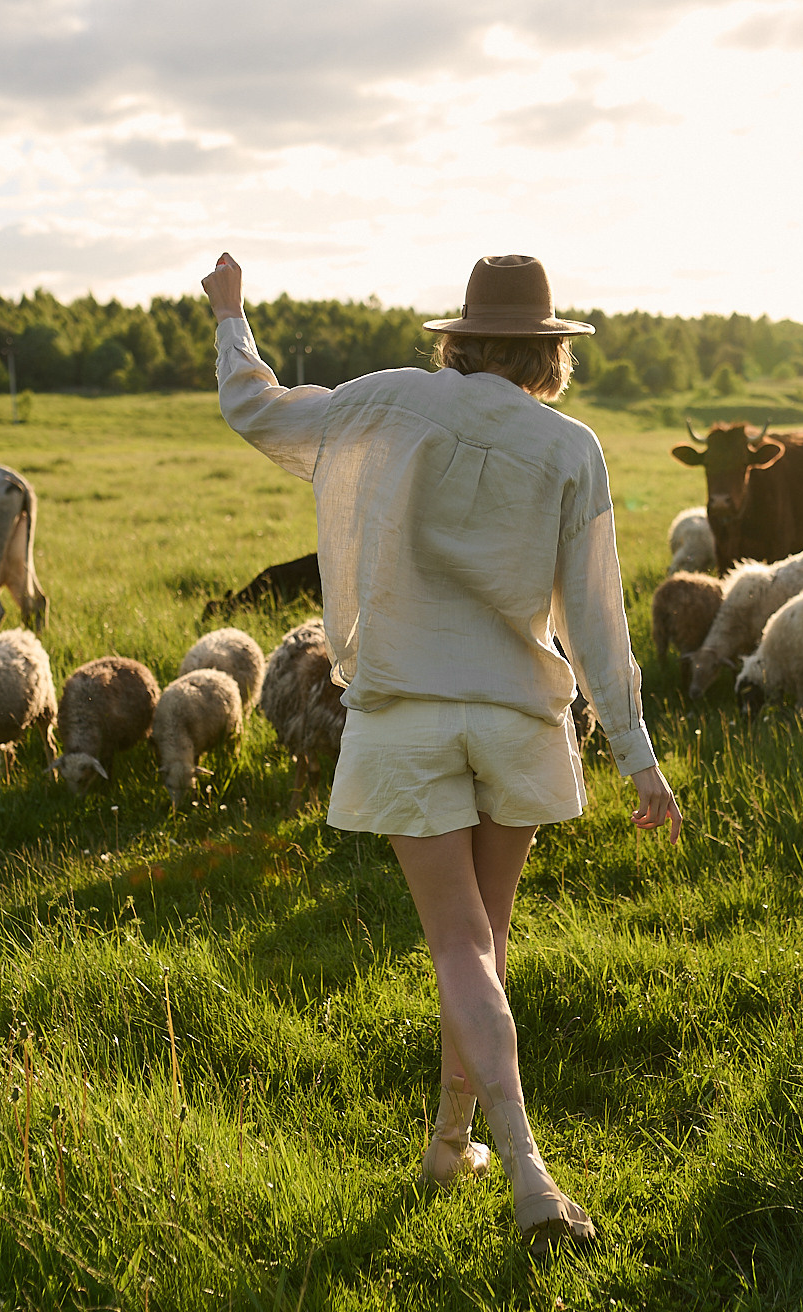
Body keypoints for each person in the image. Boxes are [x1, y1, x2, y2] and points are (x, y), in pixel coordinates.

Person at [201, 251, 682, 1249]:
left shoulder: (377, 407)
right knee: (484, 948)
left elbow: (254, 409)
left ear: (456, 337)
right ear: (547, 353)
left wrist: (231, 315)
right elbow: (594, 619)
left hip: (406, 716)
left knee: (461, 949)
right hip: (515, 717)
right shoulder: (568, 446)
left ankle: (521, 1170)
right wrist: (638, 756)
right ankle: (460, 1144)